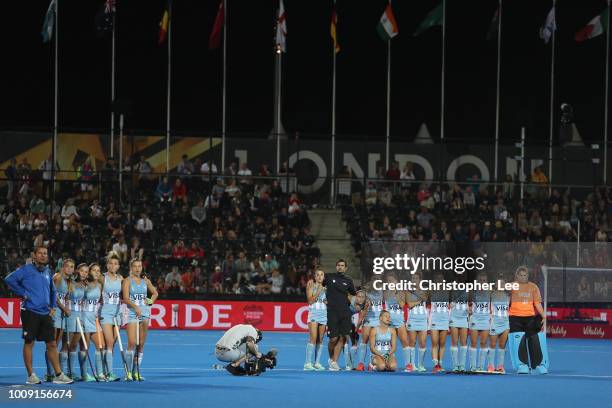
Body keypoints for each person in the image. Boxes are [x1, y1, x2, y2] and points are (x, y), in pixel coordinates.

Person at [4, 246, 74, 385]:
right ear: (34, 255)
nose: (43, 255)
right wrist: (22, 293)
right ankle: (31, 375)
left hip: (45, 313)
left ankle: (58, 375)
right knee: (29, 342)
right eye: (40, 253)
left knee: (52, 344)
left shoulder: (47, 271)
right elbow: (9, 279)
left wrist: (53, 306)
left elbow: (53, 291)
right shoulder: (26, 269)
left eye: (45, 253)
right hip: (30, 311)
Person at [122, 258, 158, 381]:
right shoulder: (127, 281)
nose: (138, 268)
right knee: (132, 342)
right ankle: (127, 372)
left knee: (141, 344)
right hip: (132, 313)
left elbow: (155, 293)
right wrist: (135, 306)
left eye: (140, 266)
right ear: (131, 268)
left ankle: (135, 371)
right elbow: (126, 298)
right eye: (135, 266)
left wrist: (149, 302)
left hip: (145, 313)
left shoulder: (145, 281)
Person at [508, 266, 548, 374]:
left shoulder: (533, 287)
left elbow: (537, 304)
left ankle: (537, 365)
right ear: (517, 275)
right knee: (518, 340)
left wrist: (544, 316)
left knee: (534, 339)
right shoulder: (511, 286)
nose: (523, 277)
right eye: (520, 275)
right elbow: (505, 301)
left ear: (528, 275)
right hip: (514, 317)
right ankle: (522, 365)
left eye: (525, 275)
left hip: (530, 317)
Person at [323, 259, 356, 371]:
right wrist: (323, 299)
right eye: (338, 265)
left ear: (346, 268)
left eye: (342, 265)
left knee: (342, 337)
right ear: (336, 267)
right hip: (332, 312)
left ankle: (334, 361)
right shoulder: (328, 277)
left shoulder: (349, 281)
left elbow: (354, 294)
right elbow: (317, 284)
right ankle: (331, 358)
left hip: (345, 313)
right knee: (333, 339)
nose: (340, 267)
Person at [99, 251, 123, 381]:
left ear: (118, 266)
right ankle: (109, 373)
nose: (113, 266)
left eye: (115, 264)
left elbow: (126, 293)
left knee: (112, 344)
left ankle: (105, 370)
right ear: (107, 265)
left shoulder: (121, 278)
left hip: (117, 312)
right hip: (105, 312)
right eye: (111, 263)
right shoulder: (102, 278)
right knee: (108, 342)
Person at [81, 263, 106, 381]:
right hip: (84, 316)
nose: (96, 272)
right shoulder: (85, 285)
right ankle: (84, 374)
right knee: (85, 347)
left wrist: (98, 314)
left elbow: (98, 302)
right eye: (94, 270)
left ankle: (99, 373)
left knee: (101, 345)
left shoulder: (100, 285)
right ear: (90, 272)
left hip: (94, 318)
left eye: (98, 270)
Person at [53, 258, 74, 382]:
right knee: (52, 344)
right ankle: (54, 373)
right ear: (63, 267)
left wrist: (66, 307)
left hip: (62, 313)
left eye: (72, 267)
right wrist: (63, 308)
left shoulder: (68, 281)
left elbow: (65, 297)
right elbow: (53, 295)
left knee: (57, 342)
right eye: (68, 266)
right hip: (55, 311)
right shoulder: (57, 277)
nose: (70, 269)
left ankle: (57, 373)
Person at [383, 274, 410, 371]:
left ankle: (408, 365)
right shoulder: (385, 293)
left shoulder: (401, 292)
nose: (390, 283)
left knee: (404, 341)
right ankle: (388, 363)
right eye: (389, 281)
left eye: (392, 281)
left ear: (396, 282)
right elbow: (386, 306)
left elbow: (402, 305)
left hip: (399, 321)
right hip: (389, 322)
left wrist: (396, 293)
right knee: (389, 344)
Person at [355, 281, 382, 371]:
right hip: (368, 320)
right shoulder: (365, 294)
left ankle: (371, 363)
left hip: (378, 320)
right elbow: (361, 308)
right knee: (364, 341)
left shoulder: (381, 291)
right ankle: (361, 363)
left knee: (373, 343)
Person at [469, 272, 492, 372]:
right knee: (474, 342)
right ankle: (473, 366)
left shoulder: (490, 291)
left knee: (483, 342)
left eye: (484, 280)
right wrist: (469, 309)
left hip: (485, 319)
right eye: (480, 280)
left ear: (487, 282)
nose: (482, 282)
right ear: (477, 281)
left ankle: (481, 367)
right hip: (475, 318)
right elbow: (467, 303)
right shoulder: (473, 291)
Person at [304, 268, 327, 371]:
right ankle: (307, 363)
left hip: (323, 315)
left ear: (324, 277)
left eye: (321, 275)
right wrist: (319, 291)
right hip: (313, 315)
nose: (319, 276)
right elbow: (310, 301)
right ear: (314, 277)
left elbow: (326, 302)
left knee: (320, 340)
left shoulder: (326, 288)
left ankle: (317, 363)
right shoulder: (310, 286)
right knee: (313, 338)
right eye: (317, 275)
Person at [405, 272, 428, 372]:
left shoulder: (425, 290)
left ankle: (421, 365)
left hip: (423, 319)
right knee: (412, 342)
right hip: (412, 319)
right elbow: (409, 304)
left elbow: (425, 297)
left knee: (422, 343)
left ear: (420, 280)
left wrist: (418, 298)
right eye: (413, 278)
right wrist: (419, 299)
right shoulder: (408, 291)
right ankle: (412, 364)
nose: (414, 280)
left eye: (416, 278)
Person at [488, 277, 510, 374]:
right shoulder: (491, 295)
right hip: (495, 322)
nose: (501, 285)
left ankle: (500, 366)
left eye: (503, 283)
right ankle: (491, 366)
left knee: (502, 346)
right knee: (492, 345)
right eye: (499, 283)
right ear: (496, 285)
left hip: (505, 323)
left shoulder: (508, 296)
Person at [429, 273, 450, 373]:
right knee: (434, 343)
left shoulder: (448, 291)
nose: (439, 280)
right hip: (434, 319)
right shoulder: (431, 290)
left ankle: (440, 364)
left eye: (441, 278)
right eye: (437, 278)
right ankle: (435, 365)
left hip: (444, 319)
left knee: (442, 343)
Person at [449, 285, 469, 372]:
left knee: (464, 342)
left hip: (464, 318)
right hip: (454, 317)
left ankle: (462, 366)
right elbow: (448, 304)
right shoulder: (452, 288)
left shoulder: (469, 289)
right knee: (454, 341)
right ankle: (455, 366)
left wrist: (470, 307)